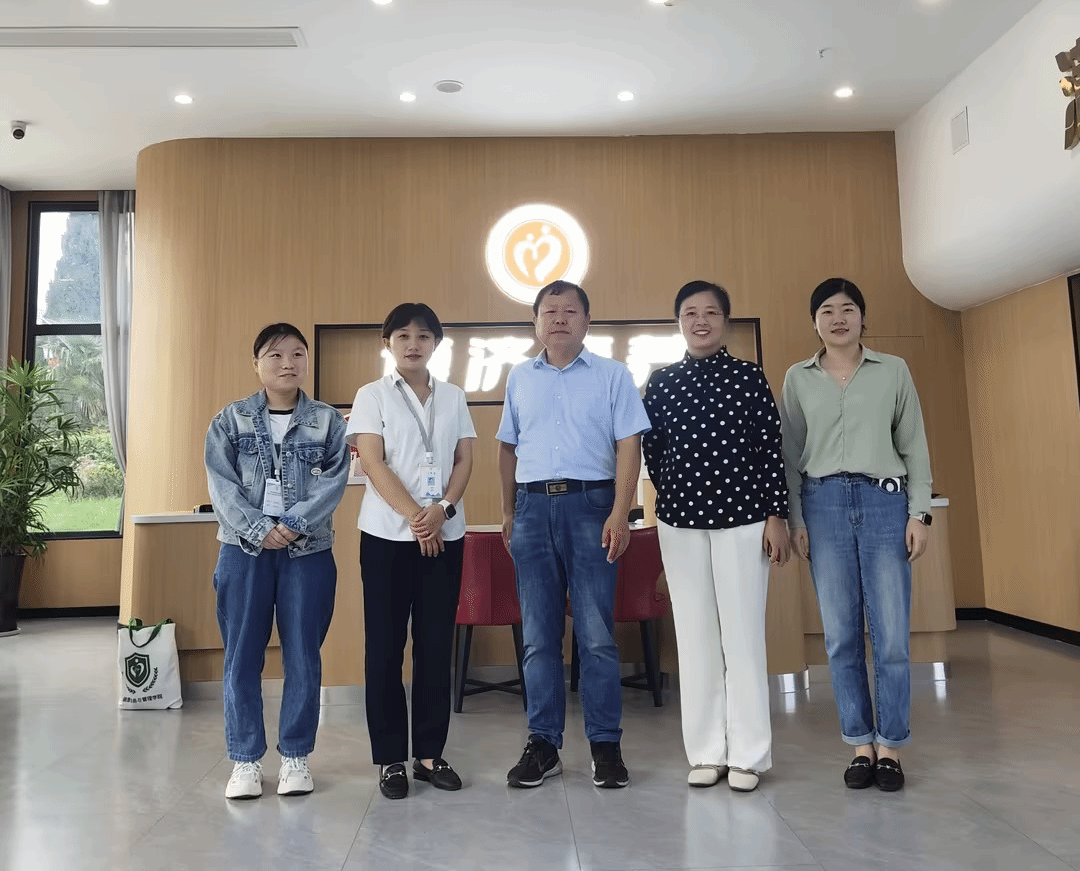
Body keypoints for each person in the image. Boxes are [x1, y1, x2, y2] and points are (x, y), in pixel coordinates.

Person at [779, 277, 932, 793]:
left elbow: (914, 444)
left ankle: (890, 747)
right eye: (827, 310)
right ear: (814, 322)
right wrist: (796, 520)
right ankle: (859, 744)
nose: (838, 318)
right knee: (841, 634)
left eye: (848, 308)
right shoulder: (798, 378)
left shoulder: (893, 370)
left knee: (890, 633)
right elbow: (789, 456)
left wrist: (919, 513)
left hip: (885, 502)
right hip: (822, 506)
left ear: (863, 317)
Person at [497, 279, 651, 790]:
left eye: (570, 311)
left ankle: (606, 745)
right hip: (532, 507)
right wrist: (508, 510)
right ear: (535, 322)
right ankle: (543, 745)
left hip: (592, 506)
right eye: (550, 311)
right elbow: (507, 447)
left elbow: (629, 445)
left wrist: (620, 511)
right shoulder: (520, 377)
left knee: (596, 635)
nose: (559, 318)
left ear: (586, 321)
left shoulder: (613, 374)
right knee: (539, 637)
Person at [642, 280, 790, 793]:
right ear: (679, 322)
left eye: (710, 312)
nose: (700, 321)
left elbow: (770, 449)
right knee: (695, 637)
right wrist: (672, 497)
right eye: (690, 312)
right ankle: (707, 751)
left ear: (725, 321)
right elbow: (653, 452)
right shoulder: (661, 383)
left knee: (743, 637)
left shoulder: (749, 377)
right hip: (680, 523)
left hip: (745, 520)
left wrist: (776, 515)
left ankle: (749, 755)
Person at [205, 322, 350, 800]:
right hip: (242, 551)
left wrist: (291, 524)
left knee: (303, 655)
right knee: (241, 654)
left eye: (297, 354)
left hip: (307, 552)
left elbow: (333, 482)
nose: (288, 363)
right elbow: (220, 484)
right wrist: (257, 529)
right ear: (257, 364)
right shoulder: (230, 420)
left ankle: (295, 757)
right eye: (275, 355)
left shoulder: (329, 422)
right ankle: (245, 760)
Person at [347, 303, 477, 800]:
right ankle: (389, 760)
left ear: (436, 343)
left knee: (435, 646)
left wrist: (441, 509)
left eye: (423, 335)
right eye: (402, 335)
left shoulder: (454, 396)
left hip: (445, 535)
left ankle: (428, 754)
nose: (413, 344)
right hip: (386, 538)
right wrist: (417, 517)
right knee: (384, 649)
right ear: (388, 343)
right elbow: (373, 462)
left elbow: (464, 459)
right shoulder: (372, 395)